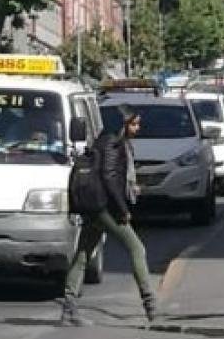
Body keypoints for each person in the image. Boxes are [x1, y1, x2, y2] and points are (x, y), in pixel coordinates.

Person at [60, 105, 156, 326]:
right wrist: (122, 210)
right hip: (105, 207)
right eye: (134, 124)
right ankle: (151, 305)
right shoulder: (113, 143)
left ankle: (69, 308)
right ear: (122, 124)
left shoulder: (104, 141)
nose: (137, 128)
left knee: (83, 254)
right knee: (137, 249)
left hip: (94, 205)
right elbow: (109, 177)